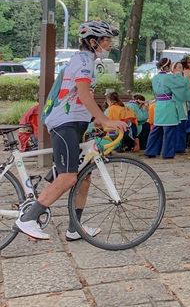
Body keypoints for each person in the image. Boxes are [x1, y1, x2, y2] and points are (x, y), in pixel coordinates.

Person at [15, 20, 128, 241]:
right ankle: (28, 219)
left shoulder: (87, 60)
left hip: (75, 123)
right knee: (68, 177)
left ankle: (74, 228)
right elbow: (85, 95)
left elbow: (78, 97)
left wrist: (93, 120)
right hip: (64, 123)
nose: (110, 44)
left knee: (83, 176)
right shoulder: (83, 61)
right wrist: (105, 119)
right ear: (93, 41)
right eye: (106, 40)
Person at [145, 58, 190, 159]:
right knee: (169, 130)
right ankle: (167, 153)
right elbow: (182, 84)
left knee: (156, 129)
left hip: (159, 105)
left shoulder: (155, 78)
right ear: (167, 66)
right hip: (168, 105)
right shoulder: (169, 78)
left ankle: (151, 150)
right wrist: (179, 74)